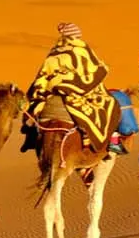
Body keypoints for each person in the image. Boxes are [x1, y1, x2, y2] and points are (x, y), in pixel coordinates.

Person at [26, 22, 124, 154]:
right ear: (77, 36)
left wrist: (42, 93)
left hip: (51, 92)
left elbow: (42, 76)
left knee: (32, 110)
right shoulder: (81, 50)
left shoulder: (53, 52)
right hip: (75, 92)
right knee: (110, 104)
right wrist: (103, 69)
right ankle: (112, 143)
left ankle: (31, 138)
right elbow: (93, 71)